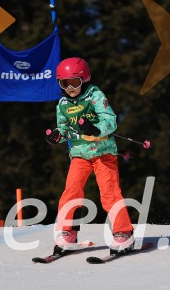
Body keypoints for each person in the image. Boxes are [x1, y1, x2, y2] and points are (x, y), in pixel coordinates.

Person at [46, 57, 134, 255]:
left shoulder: (95, 96)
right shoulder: (62, 104)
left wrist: (96, 129)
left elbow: (110, 121)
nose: (70, 88)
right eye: (64, 83)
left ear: (84, 80)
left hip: (103, 153)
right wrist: (57, 136)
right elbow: (65, 129)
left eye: (74, 82)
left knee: (109, 192)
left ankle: (124, 233)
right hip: (79, 155)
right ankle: (68, 233)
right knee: (71, 192)